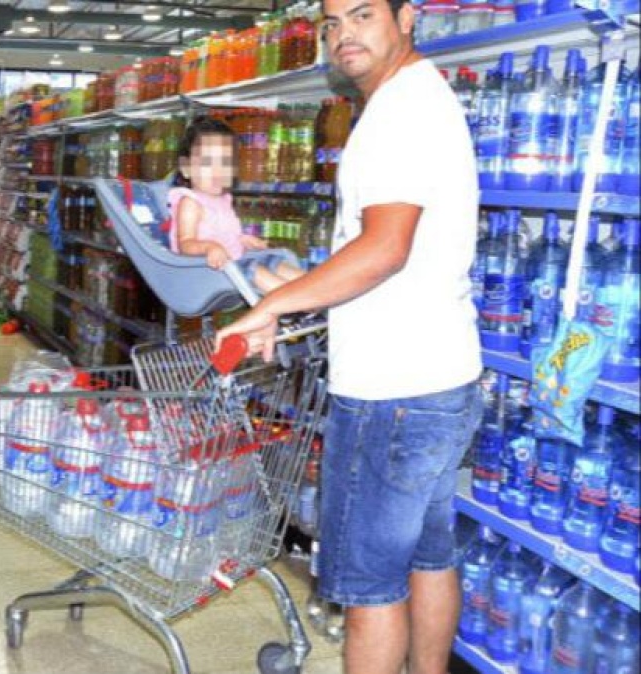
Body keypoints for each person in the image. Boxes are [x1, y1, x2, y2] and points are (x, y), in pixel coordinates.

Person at [216, 1, 483, 673]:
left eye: (363, 15)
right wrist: (306, 286)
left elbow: (386, 248)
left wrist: (271, 304)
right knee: (428, 557)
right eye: (331, 24)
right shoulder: (423, 97)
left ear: (408, 17)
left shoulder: (399, 113)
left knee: (370, 590)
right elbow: (395, 256)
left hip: (390, 393)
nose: (343, 36)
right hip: (440, 375)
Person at [169, 117, 303, 293]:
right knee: (258, 272)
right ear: (186, 168)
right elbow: (185, 244)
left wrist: (244, 240)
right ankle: (293, 305)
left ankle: (315, 297)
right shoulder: (190, 203)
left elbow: (224, 233)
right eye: (208, 162)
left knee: (277, 263)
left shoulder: (224, 199)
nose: (218, 170)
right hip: (206, 269)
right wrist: (210, 247)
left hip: (234, 262)